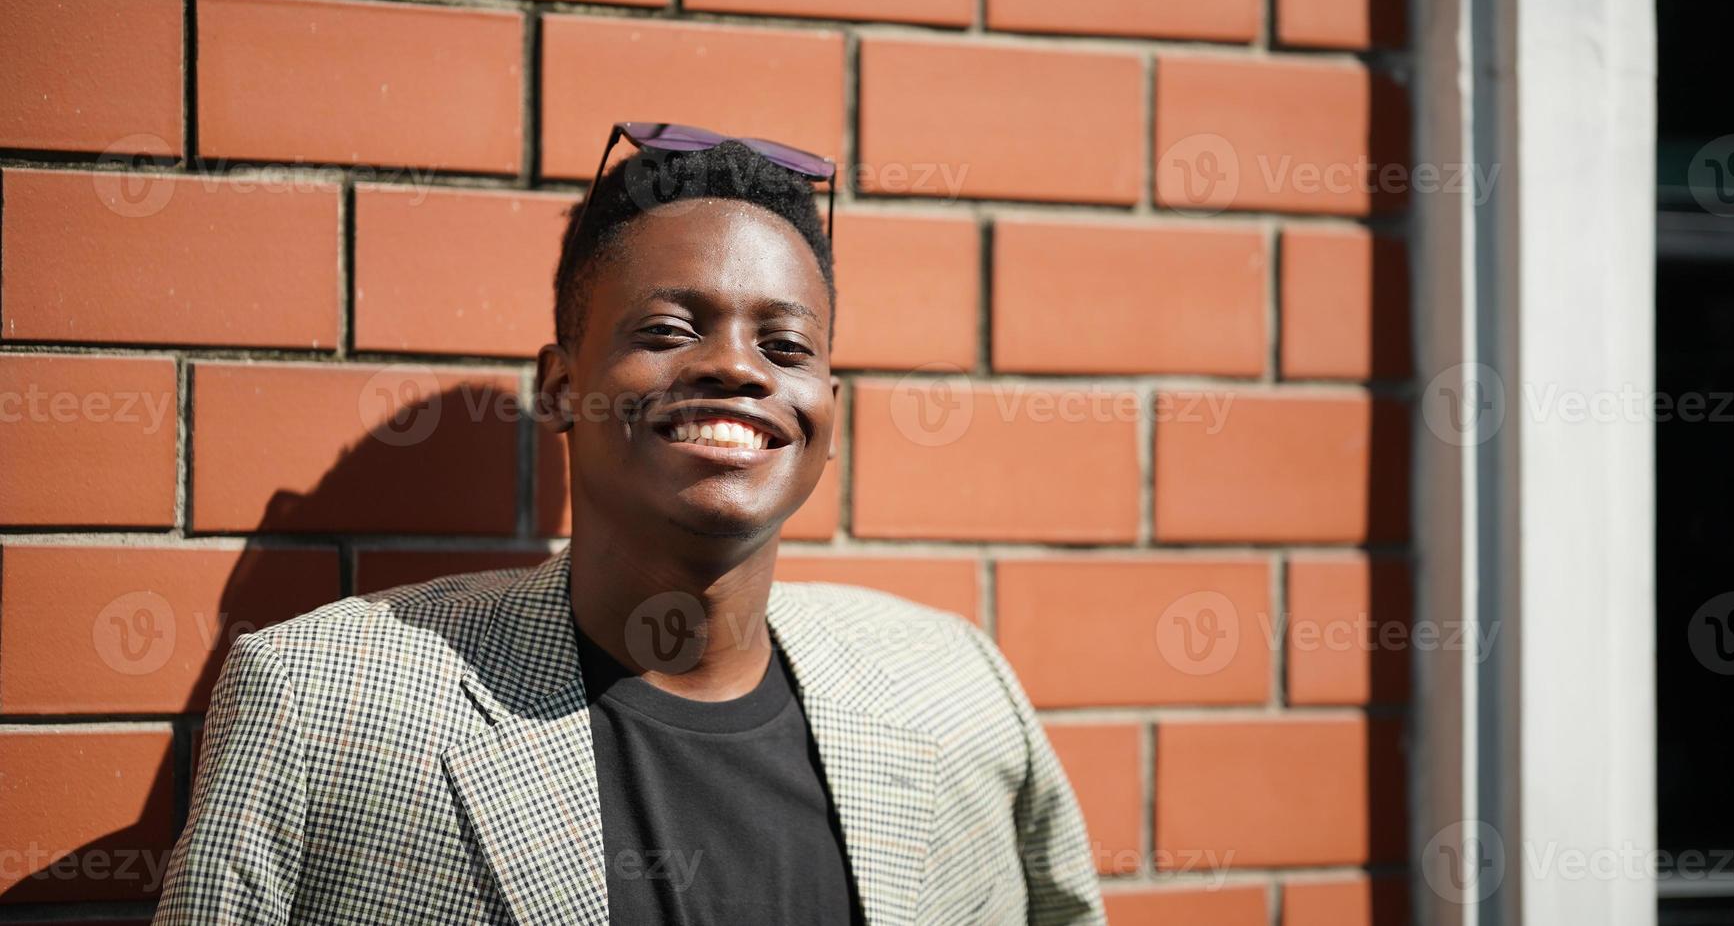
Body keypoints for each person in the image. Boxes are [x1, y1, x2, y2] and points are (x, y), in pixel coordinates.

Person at [152, 124, 1105, 925]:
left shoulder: (957, 689)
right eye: (669, 330)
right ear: (563, 386)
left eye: (785, 346)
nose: (738, 368)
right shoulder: (324, 703)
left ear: (828, 408)